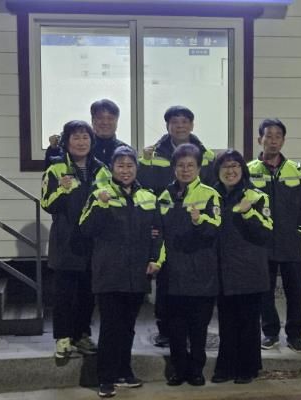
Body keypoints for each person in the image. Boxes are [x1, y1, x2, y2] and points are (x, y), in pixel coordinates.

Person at [79, 146, 164, 398]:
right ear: (112, 168)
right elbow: (86, 229)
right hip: (109, 273)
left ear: (136, 168)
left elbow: (157, 233)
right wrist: (101, 205)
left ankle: (124, 372)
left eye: (130, 165)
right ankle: (105, 378)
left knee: (128, 326)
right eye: (120, 165)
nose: (125, 170)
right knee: (110, 327)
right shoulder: (100, 193)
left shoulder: (147, 197)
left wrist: (154, 259)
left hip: (137, 274)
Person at [137, 105, 216, 347]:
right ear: (167, 126)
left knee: (195, 286)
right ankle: (165, 330)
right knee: (165, 283)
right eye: (175, 122)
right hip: (166, 219)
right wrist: (145, 162)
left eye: (184, 121)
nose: (180, 126)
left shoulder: (206, 155)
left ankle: (195, 332)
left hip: (196, 226)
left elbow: (213, 188)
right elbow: (144, 184)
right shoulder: (154, 153)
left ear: (192, 125)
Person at [40, 120, 112, 359]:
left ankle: (81, 334)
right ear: (67, 142)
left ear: (92, 141)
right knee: (64, 294)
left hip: (92, 242)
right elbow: (46, 204)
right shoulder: (56, 168)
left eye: (85, 137)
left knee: (87, 294)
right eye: (76, 137)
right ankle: (62, 337)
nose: (81, 142)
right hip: (65, 241)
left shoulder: (101, 169)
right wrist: (62, 189)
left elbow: (109, 201)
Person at [157, 143, 221, 386]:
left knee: (198, 327)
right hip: (172, 273)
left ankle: (196, 370)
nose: (185, 170)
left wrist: (199, 221)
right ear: (174, 168)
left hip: (201, 272)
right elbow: (158, 231)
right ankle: (178, 369)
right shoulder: (165, 195)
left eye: (190, 165)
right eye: (181, 165)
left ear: (199, 168)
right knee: (175, 327)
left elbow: (217, 231)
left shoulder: (210, 194)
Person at [249, 118, 301, 353]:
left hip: (290, 243)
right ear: (260, 139)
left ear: (283, 140)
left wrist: (300, 231)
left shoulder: (295, 170)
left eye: (278, 136)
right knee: (264, 292)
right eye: (268, 136)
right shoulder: (249, 170)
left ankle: (295, 336)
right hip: (262, 244)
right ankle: (270, 333)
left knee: (294, 292)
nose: (273, 141)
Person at [212, 150, 272, 384]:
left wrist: (248, 213)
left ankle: (248, 368)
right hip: (223, 270)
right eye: (225, 166)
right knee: (226, 323)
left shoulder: (256, 196)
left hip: (249, 270)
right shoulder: (212, 196)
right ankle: (226, 367)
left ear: (243, 169)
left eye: (235, 165)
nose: (230, 171)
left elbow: (266, 233)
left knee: (248, 322)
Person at [44, 99, 129, 167]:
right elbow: (52, 173)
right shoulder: (80, 147)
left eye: (110, 118)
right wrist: (53, 149)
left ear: (117, 121)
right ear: (92, 120)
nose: (105, 122)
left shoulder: (125, 150)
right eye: (100, 118)